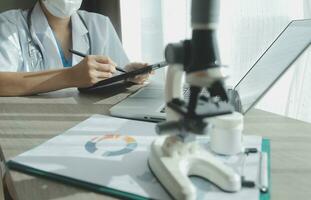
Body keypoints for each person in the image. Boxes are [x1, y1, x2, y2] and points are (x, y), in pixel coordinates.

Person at [0, 0, 150, 96]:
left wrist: (126, 75)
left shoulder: (100, 24)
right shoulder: (9, 25)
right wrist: (70, 76)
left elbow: (113, 79)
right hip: (32, 124)